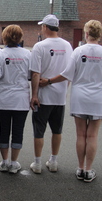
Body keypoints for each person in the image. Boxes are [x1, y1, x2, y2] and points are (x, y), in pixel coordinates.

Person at [39, 20, 102, 182]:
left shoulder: (78, 51)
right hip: (98, 98)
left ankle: (80, 167)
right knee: (92, 136)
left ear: (86, 33)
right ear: (100, 34)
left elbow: (66, 74)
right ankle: (89, 171)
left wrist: (48, 81)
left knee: (80, 135)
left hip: (80, 97)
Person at [30, 14, 73, 174]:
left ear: (46, 27)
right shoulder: (68, 46)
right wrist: (64, 89)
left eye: (42, 26)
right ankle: (54, 161)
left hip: (43, 96)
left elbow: (35, 73)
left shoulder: (40, 46)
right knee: (57, 130)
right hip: (59, 96)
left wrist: (34, 95)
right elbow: (69, 72)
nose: (41, 29)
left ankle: (38, 163)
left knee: (39, 130)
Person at [0, 25, 31, 174]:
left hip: (4, 98)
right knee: (18, 131)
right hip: (21, 99)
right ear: (20, 37)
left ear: (5, 37)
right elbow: (30, 76)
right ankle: (14, 163)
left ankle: (4, 161)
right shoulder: (27, 54)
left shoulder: (1, 54)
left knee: (4, 130)